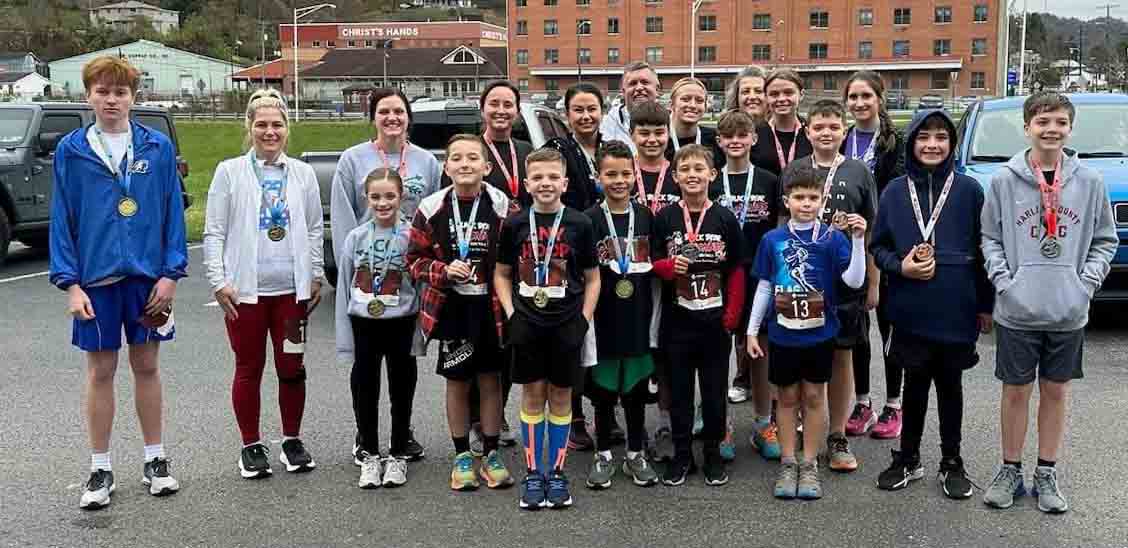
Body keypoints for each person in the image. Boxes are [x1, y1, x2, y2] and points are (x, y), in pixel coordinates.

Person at [50, 55, 187, 509]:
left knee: (147, 367)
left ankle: (155, 459)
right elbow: (63, 220)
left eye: (121, 92)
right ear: (87, 94)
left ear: (134, 96)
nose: (112, 100)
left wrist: (170, 274)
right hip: (96, 281)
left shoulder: (156, 147)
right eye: (103, 91)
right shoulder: (71, 150)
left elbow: (172, 213)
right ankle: (100, 467)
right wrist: (71, 285)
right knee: (100, 371)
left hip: (147, 280)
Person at [981, 92, 1117, 514]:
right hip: (1018, 310)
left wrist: (1084, 284)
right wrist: (1006, 282)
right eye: (1043, 122)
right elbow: (990, 237)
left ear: (1070, 128)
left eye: (1059, 122)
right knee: (1015, 391)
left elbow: (1104, 240)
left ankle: (1047, 471)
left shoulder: (1090, 181)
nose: (1051, 129)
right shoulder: (1004, 180)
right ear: (1027, 128)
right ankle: (1009, 470)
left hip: (1068, 310)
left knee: (1056, 391)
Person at [870, 109, 993, 499]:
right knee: (915, 383)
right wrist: (900, 266)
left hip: (956, 305)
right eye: (924, 137)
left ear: (952, 144)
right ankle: (908, 456)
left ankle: (951, 460)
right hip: (910, 305)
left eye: (941, 137)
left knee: (950, 386)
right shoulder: (893, 191)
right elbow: (879, 247)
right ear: (912, 143)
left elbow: (985, 249)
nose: (932, 144)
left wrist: (986, 304)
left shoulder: (970, 190)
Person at [204, 89, 324, 479]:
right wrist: (218, 281)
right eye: (262, 124)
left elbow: (313, 228)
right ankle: (251, 445)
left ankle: (292, 439)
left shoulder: (302, 174)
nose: (270, 132)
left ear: (287, 129)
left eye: (277, 124)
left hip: (291, 293)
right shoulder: (230, 171)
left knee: (292, 366)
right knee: (249, 367)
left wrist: (316, 274)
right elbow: (214, 231)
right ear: (249, 127)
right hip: (246, 293)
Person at [746, 162, 868, 500]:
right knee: (785, 398)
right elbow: (766, 287)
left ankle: (810, 462)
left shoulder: (832, 239)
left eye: (812, 197)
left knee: (814, 397)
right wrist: (752, 331)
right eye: (799, 197)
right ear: (786, 200)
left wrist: (857, 241)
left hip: (819, 334)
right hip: (783, 334)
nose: (806, 204)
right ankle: (788, 461)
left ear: (822, 199)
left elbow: (854, 281)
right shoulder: (773, 240)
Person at [331, 87, 440, 463]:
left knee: (403, 362)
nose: (392, 118)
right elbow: (344, 218)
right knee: (365, 364)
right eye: (384, 111)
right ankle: (366, 436)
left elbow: (435, 215)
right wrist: (349, 271)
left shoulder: (426, 162)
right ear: (373, 117)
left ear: (409, 117)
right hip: (366, 276)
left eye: (398, 111)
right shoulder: (352, 159)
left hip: (407, 277)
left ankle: (401, 433)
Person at [406, 135, 516, 491]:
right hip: (454, 307)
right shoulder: (431, 207)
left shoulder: (503, 206)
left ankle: (491, 451)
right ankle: (461, 454)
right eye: (457, 158)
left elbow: (519, 257)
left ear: (486, 167)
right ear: (446, 166)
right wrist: (442, 271)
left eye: (473, 158)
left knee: (491, 380)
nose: (465, 164)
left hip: (491, 305)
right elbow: (414, 260)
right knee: (457, 380)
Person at [495, 148, 600, 510]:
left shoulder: (580, 224)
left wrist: (583, 320)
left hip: (566, 324)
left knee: (560, 397)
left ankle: (556, 472)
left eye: (553, 177)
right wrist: (512, 314)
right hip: (527, 323)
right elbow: (502, 273)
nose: (546, 183)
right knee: (531, 396)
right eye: (538, 177)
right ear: (526, 184)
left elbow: (592, 278)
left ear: (565, 183)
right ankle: (532, 472)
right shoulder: (514, 224)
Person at [781, 99, 879, 474]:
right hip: (800, 281)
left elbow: (868, 230)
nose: (825, 133)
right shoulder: (796, 170)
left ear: (844, 131)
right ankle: (804, 427)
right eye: (818, 126)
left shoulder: (858, 172)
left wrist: (873, 281)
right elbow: (779, 225)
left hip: (844, 285)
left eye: (833, 127)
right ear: (808, 131)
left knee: (841, 356)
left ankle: (837, 434)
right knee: (802, 354)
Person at [652, 144, 745, 487]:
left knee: (714, 392)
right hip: (677, 322)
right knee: (679, 392)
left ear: (712, 174)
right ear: (675, 176)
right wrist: (667, 266)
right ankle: (681, 455)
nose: (693, 174)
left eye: (699, 168)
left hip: (714, 323)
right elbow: (652, 263)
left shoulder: (724, 217)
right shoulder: (665, 218)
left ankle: (713, 454)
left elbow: (736, 269)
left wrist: (731, 316)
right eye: (685, 169)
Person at [335, 168, 420, 489]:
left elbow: (420, 285)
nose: (382, 203)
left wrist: (420, 334)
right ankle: (369, 454)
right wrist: (345, 337)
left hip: (400, 322)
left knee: (401, 389)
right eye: (375, 197)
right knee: (365, 389)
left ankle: (398, 453)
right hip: (364, 324)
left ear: (401, 198)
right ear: (366, 199)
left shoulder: (412, 236)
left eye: (389, 196)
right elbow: (344, 285)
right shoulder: (355, 238)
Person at [582, 140, 660, 489]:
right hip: (604, 319)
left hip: (639, 316)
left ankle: (635, 453)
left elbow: (657, 268)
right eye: (610, 173)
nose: (619, 180)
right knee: (603, 392)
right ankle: (603, 453)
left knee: (635, 389)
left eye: (625, 173)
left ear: (634, 176)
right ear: (597, 176)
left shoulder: (645, 217)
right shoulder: (588, 220)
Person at [546, 82, 618, 451]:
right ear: (566, 114)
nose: (586, 116)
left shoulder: (613, 149)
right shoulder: (557, 150)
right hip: (570, 251)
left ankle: (606, 409)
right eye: (579, 110)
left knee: (606, 333)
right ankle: (573, 415)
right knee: (575, 333)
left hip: (611, 249)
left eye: (592, 109)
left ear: (602, 111)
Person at [461, 80, 532, 452]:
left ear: (517, 111)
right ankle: (475, 419)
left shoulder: (526, 149)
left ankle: (496, 413)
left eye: (508, 104)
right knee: (477, 345)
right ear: (482, 107)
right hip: (480, 260)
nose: (501, 110)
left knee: (506, 344)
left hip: (522, 259)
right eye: (494, 104)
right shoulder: (471, 152)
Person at [708, 111, 782, 462]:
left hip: (759, 274)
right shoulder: (709, 181)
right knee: (718, 347)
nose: (735, 141)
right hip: (719, 274)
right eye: (728, 136)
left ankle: (763, 423)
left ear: (754, 139)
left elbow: (779, 229)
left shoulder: (769, 180)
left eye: (742, 135)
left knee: (760, 348)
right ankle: (719, 421)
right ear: (719, 142)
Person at [841, 71, 906, 440]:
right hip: (850, 247)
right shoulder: (844, 139)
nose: (860, 103)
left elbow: (897, 194)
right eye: (853, 97)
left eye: (866, 95)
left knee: (888, 329)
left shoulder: (895, 143)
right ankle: (862, 401)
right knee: (858, 329)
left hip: (885, 247)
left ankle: (893, 404)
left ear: (880, 99)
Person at [628, 100, 681, 462]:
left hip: (671, 279)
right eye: (643, 132)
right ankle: (633, 427)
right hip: (630, 278)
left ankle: (665, 422)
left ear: (668, 134)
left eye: (658, 132)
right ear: (632, 135)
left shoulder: (679, 172)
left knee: (666, 353)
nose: (651, 139)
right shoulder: (622, 171)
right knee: (633, 350)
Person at [752, 69, 813, 176]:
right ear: (766, 97)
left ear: (801, 94)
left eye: (788, 93)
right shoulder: (754, 133)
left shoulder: (813, 133)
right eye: (774, 94)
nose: (781, 99)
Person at [600, 61, 661, 153]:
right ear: (623, 92)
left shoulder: (670, 124)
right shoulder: (606, 126)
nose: (639, 88)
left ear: (657, 89)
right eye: (633, 83)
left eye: (645, 82)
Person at [664, 77, 725, 169]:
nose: (692, 105)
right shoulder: (659, 140)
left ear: (705, 106)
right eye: (685, 99)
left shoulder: (715, 140)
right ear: (671, 105)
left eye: (699, 101)